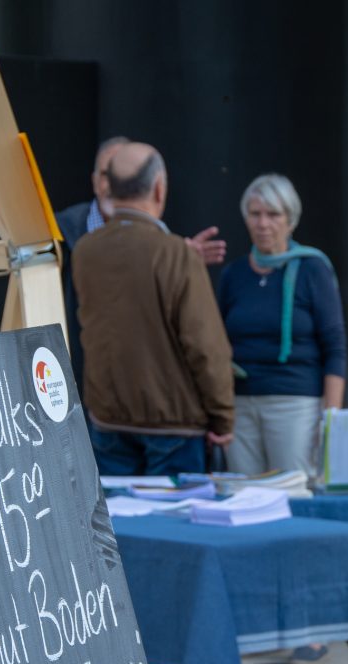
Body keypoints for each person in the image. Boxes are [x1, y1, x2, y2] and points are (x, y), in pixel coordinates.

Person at [73, 142, 234, 475]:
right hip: (174, 429)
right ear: (159, 188)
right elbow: (205, 347)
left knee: (118, 526)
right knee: (172, 526)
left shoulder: (86, 251)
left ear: (109, 188)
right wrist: (223, 416)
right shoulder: (176, 254)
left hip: (107, 422)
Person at [56, 137, 227, 396]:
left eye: (123, 177)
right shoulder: (56, 233)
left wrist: (177, 264)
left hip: (143, 396)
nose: (114, 187)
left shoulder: (166, 245)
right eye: (107, 175)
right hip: (73, 387)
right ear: (93, 181)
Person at [217, 173, 346, 477]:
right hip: (240, 404)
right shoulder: (233, 274)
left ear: (291, 220)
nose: (263, 224)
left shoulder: (313, 269)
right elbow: (217, 342)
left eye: (273, 214)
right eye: (255, 214)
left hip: (295, 403)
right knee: (244, 496)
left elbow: (336, 345)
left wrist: (332, 414)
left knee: (292, 495)